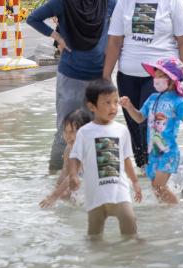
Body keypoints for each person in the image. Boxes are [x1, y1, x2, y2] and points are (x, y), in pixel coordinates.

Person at [103, 0, 183, 168]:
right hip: (128, 75)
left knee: (153, 126)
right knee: (135, 128)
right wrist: (105, 77)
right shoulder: (126, 0)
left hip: (161, 77)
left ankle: (161, 173)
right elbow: (115, 42)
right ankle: (144, 175)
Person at [28, 0, 118, 172]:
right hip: (71, 75)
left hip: (100, 77)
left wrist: (111, 64)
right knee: (66, 128)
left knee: (103, 127)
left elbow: (121, 32)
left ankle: (105, 177)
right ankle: (56, 174)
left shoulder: (109, 2)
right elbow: (33, 18)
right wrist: (57, 37)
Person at [40, 80, 143, 239]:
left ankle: (135, 247)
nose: (69, 136)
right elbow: (67, 174)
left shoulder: (116, 132)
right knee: (93, 229)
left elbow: (126, 158)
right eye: (66, 132)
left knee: (128, 220)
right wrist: (61, 188)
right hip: (94, 190)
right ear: (92, 106)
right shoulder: (75, 144)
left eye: (115, 102)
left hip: (114, 187)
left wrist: (135, 181)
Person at [120, 57, 183, 204]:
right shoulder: (152, 98)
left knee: (159, 186)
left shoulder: (178, 101)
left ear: (171, 80)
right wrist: (129, 107)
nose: (156, 79)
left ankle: (177, 211)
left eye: (160, 76)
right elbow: (140, 118)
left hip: (168, 153)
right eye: (156, 76)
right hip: (153, 153)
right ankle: (168, 216)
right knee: (156, 188)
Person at [46, 108, 94, 203]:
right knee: (65, 195)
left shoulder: (88, 149)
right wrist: (56, 188)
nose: (68, 136)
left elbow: (73, 175)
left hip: (102, 184)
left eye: (72, 131)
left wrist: (54, 196)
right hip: (88, 180)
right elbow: (65, 173)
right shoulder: (69, 149)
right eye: (66, 131)